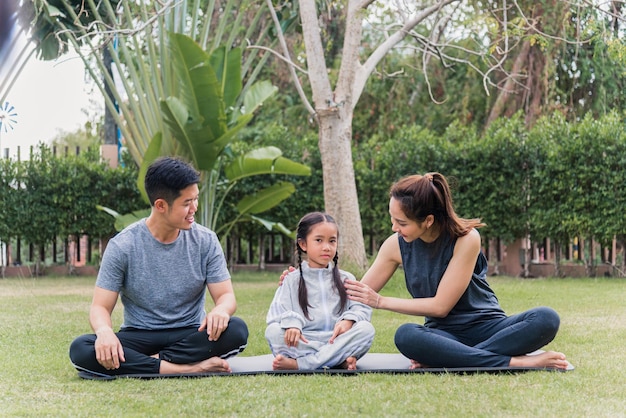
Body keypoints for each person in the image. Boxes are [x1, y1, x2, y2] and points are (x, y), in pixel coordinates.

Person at [342, 172, 569, 369]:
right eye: (393, 220)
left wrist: (381, 302)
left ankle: (456, 358)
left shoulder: (467, 239)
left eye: (402, 223)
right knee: (406, 335)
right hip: (442, 335)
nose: (394, 228)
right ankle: (513, 362)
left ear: (428, 220)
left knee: (546, 318)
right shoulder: (395, 245)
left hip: (489, 328)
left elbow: (440, 306)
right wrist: (345, 321)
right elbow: (358, 293)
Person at [69, 156, 248, 376]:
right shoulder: (123, 246)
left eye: (196, 199)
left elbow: (226, 296)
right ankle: (189, 368)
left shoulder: (206, 240)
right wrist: (104, 331)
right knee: (81, 349)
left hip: (191, 333)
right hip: (140, 335)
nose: (195, 208)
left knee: (237, 330)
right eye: (186, 203)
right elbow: (100, 307)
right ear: (161, 205)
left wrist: (221, 310)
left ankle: (148, 365)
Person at [266, 212, 375, 370]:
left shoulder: (346, 278)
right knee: (273, 332)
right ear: (303, 244)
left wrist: (349, 320)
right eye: (318, 240)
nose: (326, 247)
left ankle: (301, 364)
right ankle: (337, 359)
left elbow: (361, 308)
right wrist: (292, 325)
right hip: (304, 340)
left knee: (366, 329)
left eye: (332, 241)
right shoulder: (291, 280)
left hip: (337, 339)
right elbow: (276, 314)